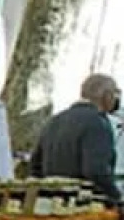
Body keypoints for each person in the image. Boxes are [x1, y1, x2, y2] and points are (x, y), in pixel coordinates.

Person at [30, 73, 122, 205]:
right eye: (116, 93)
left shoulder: (55, 120)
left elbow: (35, 166)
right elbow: (96, 171)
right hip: (82, 205)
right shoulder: (97, 123)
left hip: (50, 204)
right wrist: (116, 196)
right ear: (107, 95)